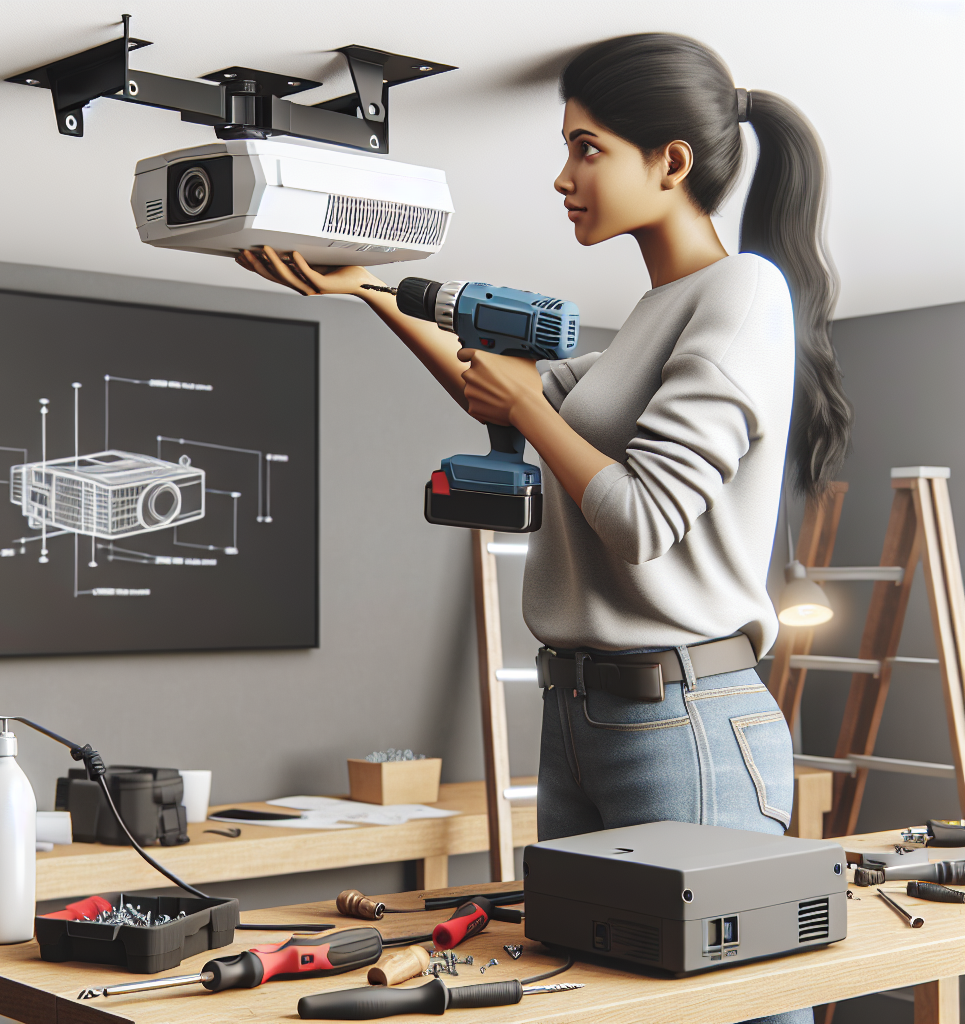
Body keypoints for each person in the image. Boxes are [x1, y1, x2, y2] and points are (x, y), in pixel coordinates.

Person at [237, 33, 852, 1024]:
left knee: (723, 1009)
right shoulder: (656, 312)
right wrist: (365, 287)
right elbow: (498, 392)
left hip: (683, 718)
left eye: (586, 148)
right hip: (580, 714)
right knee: (585, 997)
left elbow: (643, 517)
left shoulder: (741, 293)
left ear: (671, 162)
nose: (563, 177)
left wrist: (526, 404)